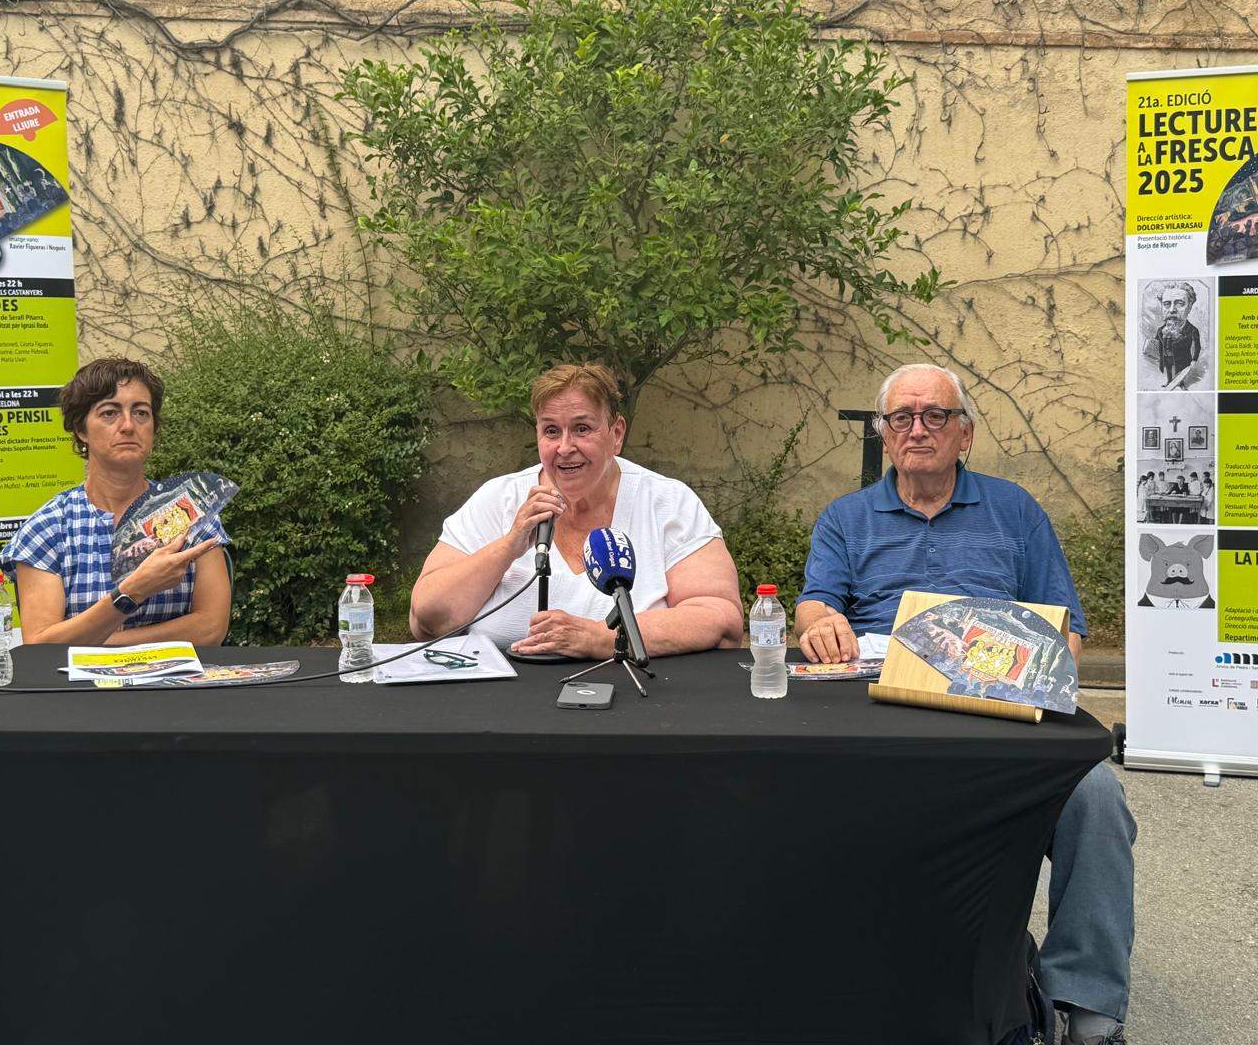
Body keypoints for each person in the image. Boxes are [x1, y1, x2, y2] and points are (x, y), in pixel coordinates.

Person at [794, 363, 1135, 1045]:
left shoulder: (1014, 511)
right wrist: (816, 621)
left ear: (965, 434)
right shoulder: (846, 518)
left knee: (1096, 798)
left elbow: (1066, 626)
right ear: (885, 437)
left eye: (935, 416)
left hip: (997, 702)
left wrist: (1041, 672)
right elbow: (814, 601)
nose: (917, 429)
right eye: (901, 418)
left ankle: (1091, 1007)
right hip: (880, 704)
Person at [409, 362, 742, 658]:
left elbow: (719, 617)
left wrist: (605, 637)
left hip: (637, 704)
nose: (565, 448)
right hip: (500, 710)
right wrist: (509, 546)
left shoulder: (666, 501)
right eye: (551, 431)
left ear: (616, 433)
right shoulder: (499, 499)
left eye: (582, 428)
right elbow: (426, 620)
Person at [1, 357, 231, 647]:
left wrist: (99, 641)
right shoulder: (49, 528)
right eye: (109, 413)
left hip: (177, 690)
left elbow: (211, 629)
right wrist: (133, 591)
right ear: (81, 430)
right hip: (83, 692)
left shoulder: (190, 510)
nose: (127, 426)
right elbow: (41, 646)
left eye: (141, 413)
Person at [1145, 281, 1202, 389]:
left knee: (1180, 375)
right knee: (1169, 372)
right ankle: (1169, 381)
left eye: (1179, 303)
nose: (1172, 310)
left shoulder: (1193, 330)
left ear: (1189, 307)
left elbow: (1197, 346)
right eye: (1166, 304)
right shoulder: (1160, 330)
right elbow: (1155, 346)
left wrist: (1194, 360)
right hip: (1167, 359)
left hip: (1183, 363)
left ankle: (1181, 384)